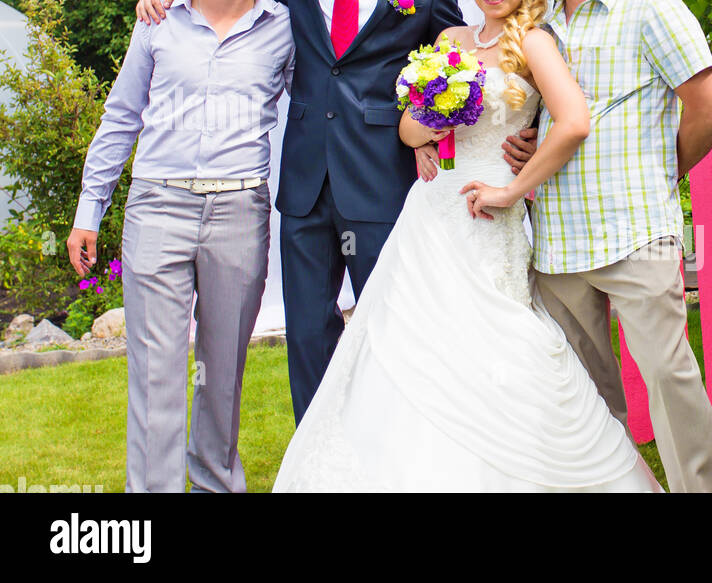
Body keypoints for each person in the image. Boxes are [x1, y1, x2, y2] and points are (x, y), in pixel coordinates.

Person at [272, 0, 661, 492]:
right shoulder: (451, 41)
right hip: (432, 210)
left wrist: (512, 190)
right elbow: (409, 126)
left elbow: (575, 122)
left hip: (489, 210)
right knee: (407, 338)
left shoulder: (535, 43)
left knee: (500, 335)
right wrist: (432, 123)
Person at [135, 0, 539, 425]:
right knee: (308, 334)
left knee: (387, 328)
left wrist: (521, 128)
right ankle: (313, 460)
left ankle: (387, 450)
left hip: (381, 178)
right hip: (305, 184)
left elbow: (465, 70)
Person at [474, 0, 712, 493]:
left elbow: (710, 107)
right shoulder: (540, 19)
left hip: (634, 233)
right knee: (588, 404)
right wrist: (533, 139)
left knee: (668, 379)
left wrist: (661, 172)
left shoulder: (652, 9)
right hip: (557, 244)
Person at [66, 0, 294, 492]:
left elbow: (324, 101)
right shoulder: (158, 19)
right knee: (156, 374)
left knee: (222, 371)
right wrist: (90, 208)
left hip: (238, 210)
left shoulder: (283, 26)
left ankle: (215, 483)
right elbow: (122, 115)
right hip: (157, 207)